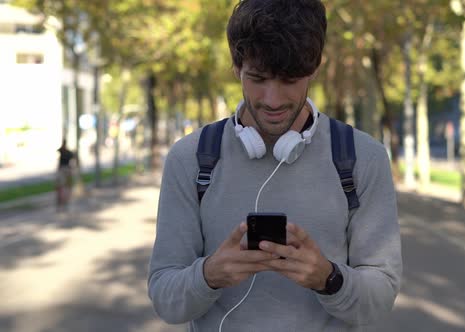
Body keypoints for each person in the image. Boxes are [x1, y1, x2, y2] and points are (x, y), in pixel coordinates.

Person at [148, 1, 402, 331]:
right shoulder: (189, 159)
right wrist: (209, 275)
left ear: (314, 68)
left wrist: (329, 278)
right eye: (258, 78)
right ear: (236, 67)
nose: (272, 100)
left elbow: (380, 301)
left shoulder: (362, 158)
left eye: (289, 80)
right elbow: (166, 300)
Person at [56, 139, 75, 210]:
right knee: (62, 184)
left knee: (65, 184)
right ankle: (62, 198)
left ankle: (65, 198)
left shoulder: (65, 151)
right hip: (64, 169)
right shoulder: (65, 151)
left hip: (64, 169)